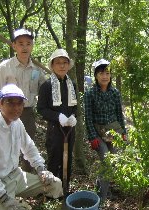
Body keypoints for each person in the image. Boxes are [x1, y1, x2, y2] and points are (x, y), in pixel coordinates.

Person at [0, 28, 47, 172]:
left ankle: (28, 179)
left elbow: (45, 89)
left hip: (27, 112)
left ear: (32, 46)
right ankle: (4, 178)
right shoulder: (4, 67)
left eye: (28, 43)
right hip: (6, 113)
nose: (24, 47)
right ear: (14, 46)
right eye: (20, 43)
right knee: (5, 146)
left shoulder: (36, 69)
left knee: (28, 146)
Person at [84, 59, 127, 201]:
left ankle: (101, 187)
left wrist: (123, 133)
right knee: (107, 162)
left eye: (107, 73)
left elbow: (119, 115)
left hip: (113, 133)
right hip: (97, 133)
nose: (105, 76)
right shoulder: (90, 94)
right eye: (101, 73)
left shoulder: (115, 93)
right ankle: (102, 197)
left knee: (111, 162)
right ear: (96, 75)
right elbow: (88, 117)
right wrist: (92, 137)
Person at [37, 48, 77, 196]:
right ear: (52, 65)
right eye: (58, 63)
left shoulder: (71, 84)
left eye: (65, 63)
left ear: (68, 65)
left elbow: (75, 107)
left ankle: (65, 189)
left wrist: (73, 117)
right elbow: (41, 109)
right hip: (55, 130)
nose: (62, 66)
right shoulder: (47, 86)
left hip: (70, 130)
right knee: (54, 160)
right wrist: (57, 117)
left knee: (68, 160)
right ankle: (53, 193)